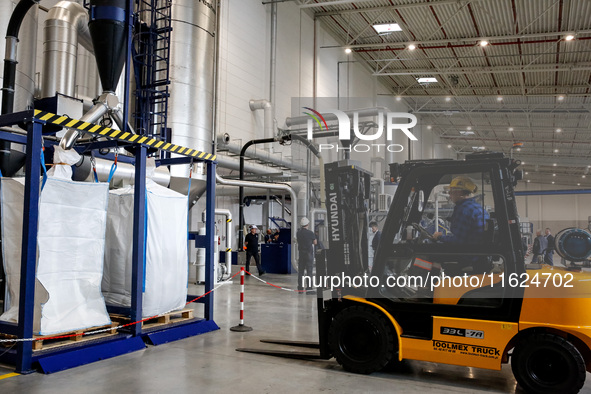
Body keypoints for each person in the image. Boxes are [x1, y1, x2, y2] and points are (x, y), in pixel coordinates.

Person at [433, 176, 489, 244]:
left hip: (468, 252)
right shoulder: (478, 208)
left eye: (450, 192)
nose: (449, 195)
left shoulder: (463, 210)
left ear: (458, 192)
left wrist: (439, 237)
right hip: (478, 250)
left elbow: (458, 242)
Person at [296, 217, 317, 292]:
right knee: (309, 271)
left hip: (301, 254)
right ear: (307, 224)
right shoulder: (310, 233)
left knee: (301, 271)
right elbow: (315, 242)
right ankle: (309, 288)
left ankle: (300, 288)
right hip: (308, 254)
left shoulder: (298, 233)